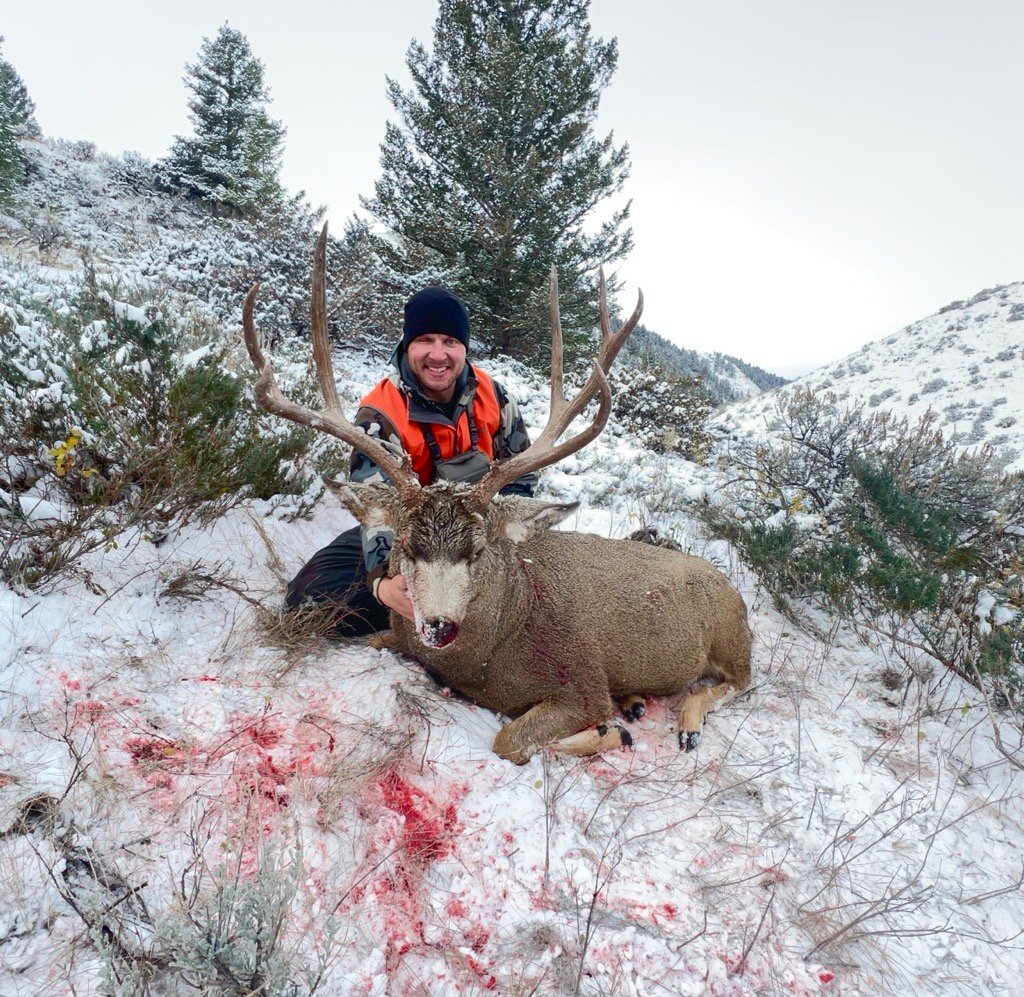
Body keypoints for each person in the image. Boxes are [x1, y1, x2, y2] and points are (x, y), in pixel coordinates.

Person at [285, 286, 537, 636]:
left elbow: (522, 475)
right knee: (306, 600)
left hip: (477, 537)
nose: (438, 354)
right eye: (425, 340)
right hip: (412, 537)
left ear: (464, 348)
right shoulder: (380, 414)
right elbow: (376, 509)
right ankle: (415, 607)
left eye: (450, 341)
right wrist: (383, 584)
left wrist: (498, 540)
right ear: (407, 345)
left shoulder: (494, 396)